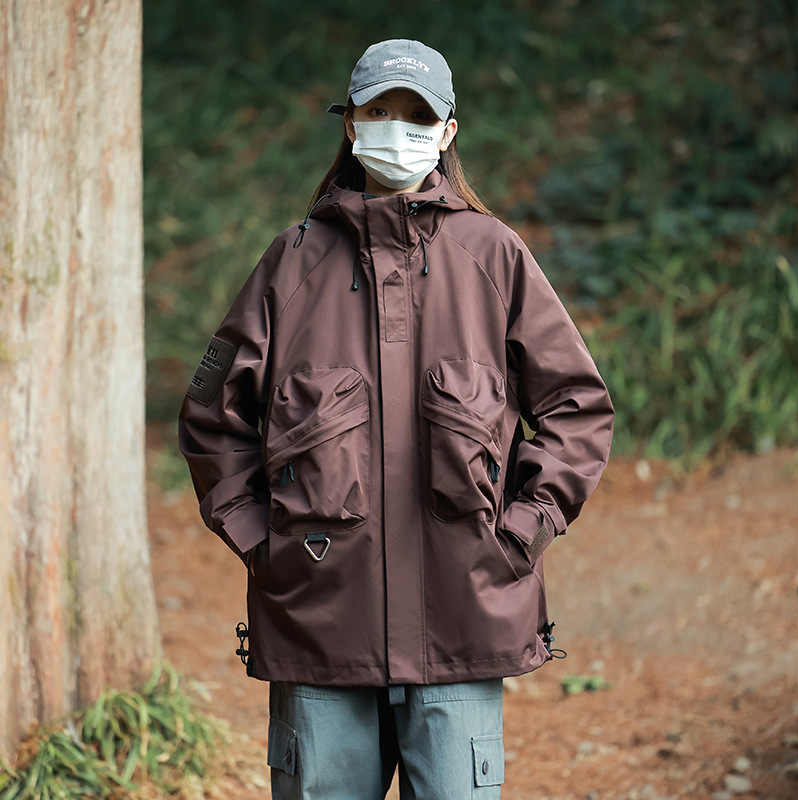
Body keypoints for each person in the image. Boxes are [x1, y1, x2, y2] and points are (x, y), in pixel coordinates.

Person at [179, 38, 614, 799]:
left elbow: (577, 407)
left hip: (463, 622)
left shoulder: (495, 256)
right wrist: (264, 544)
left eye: (418, 117)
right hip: (320, 624)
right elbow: (213, 418)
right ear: (351, 124)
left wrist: (521, 533)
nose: (398, 131)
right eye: (381, 112)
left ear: (448, 133)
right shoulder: (291, 263)